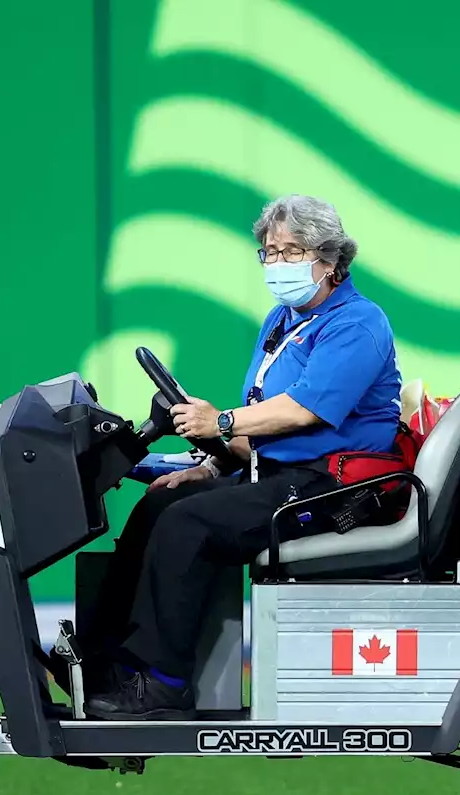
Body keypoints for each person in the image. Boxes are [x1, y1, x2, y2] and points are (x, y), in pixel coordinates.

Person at [81, 194, 403, 720]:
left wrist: (221, 423)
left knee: (190, 525)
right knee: (159, 505)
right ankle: (107, 660)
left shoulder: (357, 325)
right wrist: (210, 464)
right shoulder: (282, 320)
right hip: (277, 473)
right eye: (269, 252)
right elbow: (262, 421)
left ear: (330, 259)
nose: (277, 264)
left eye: (291, 251)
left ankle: (164, 682)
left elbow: (303, 411)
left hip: (332, 487)